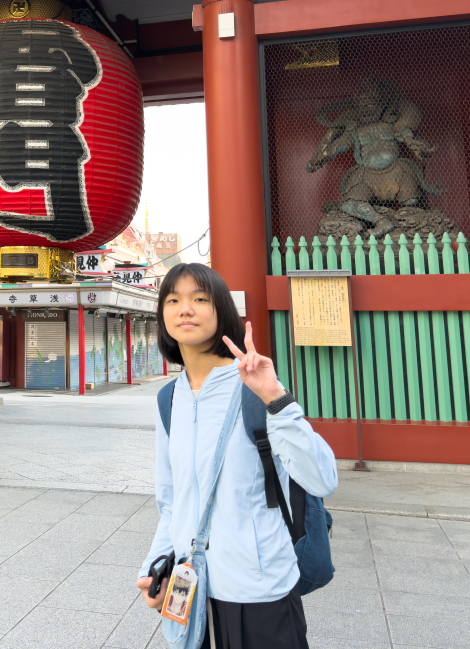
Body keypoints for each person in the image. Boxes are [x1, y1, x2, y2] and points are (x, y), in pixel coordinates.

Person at [135, 263, 338, 649]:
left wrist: (276, 399)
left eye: (200, 299)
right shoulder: (169, 399)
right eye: (173, 300)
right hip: (190, 587)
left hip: (259, 591)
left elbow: (323, 478)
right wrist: (155, 566)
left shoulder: (255, 389)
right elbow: (172, 502)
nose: (185, 309)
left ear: (222, 311)